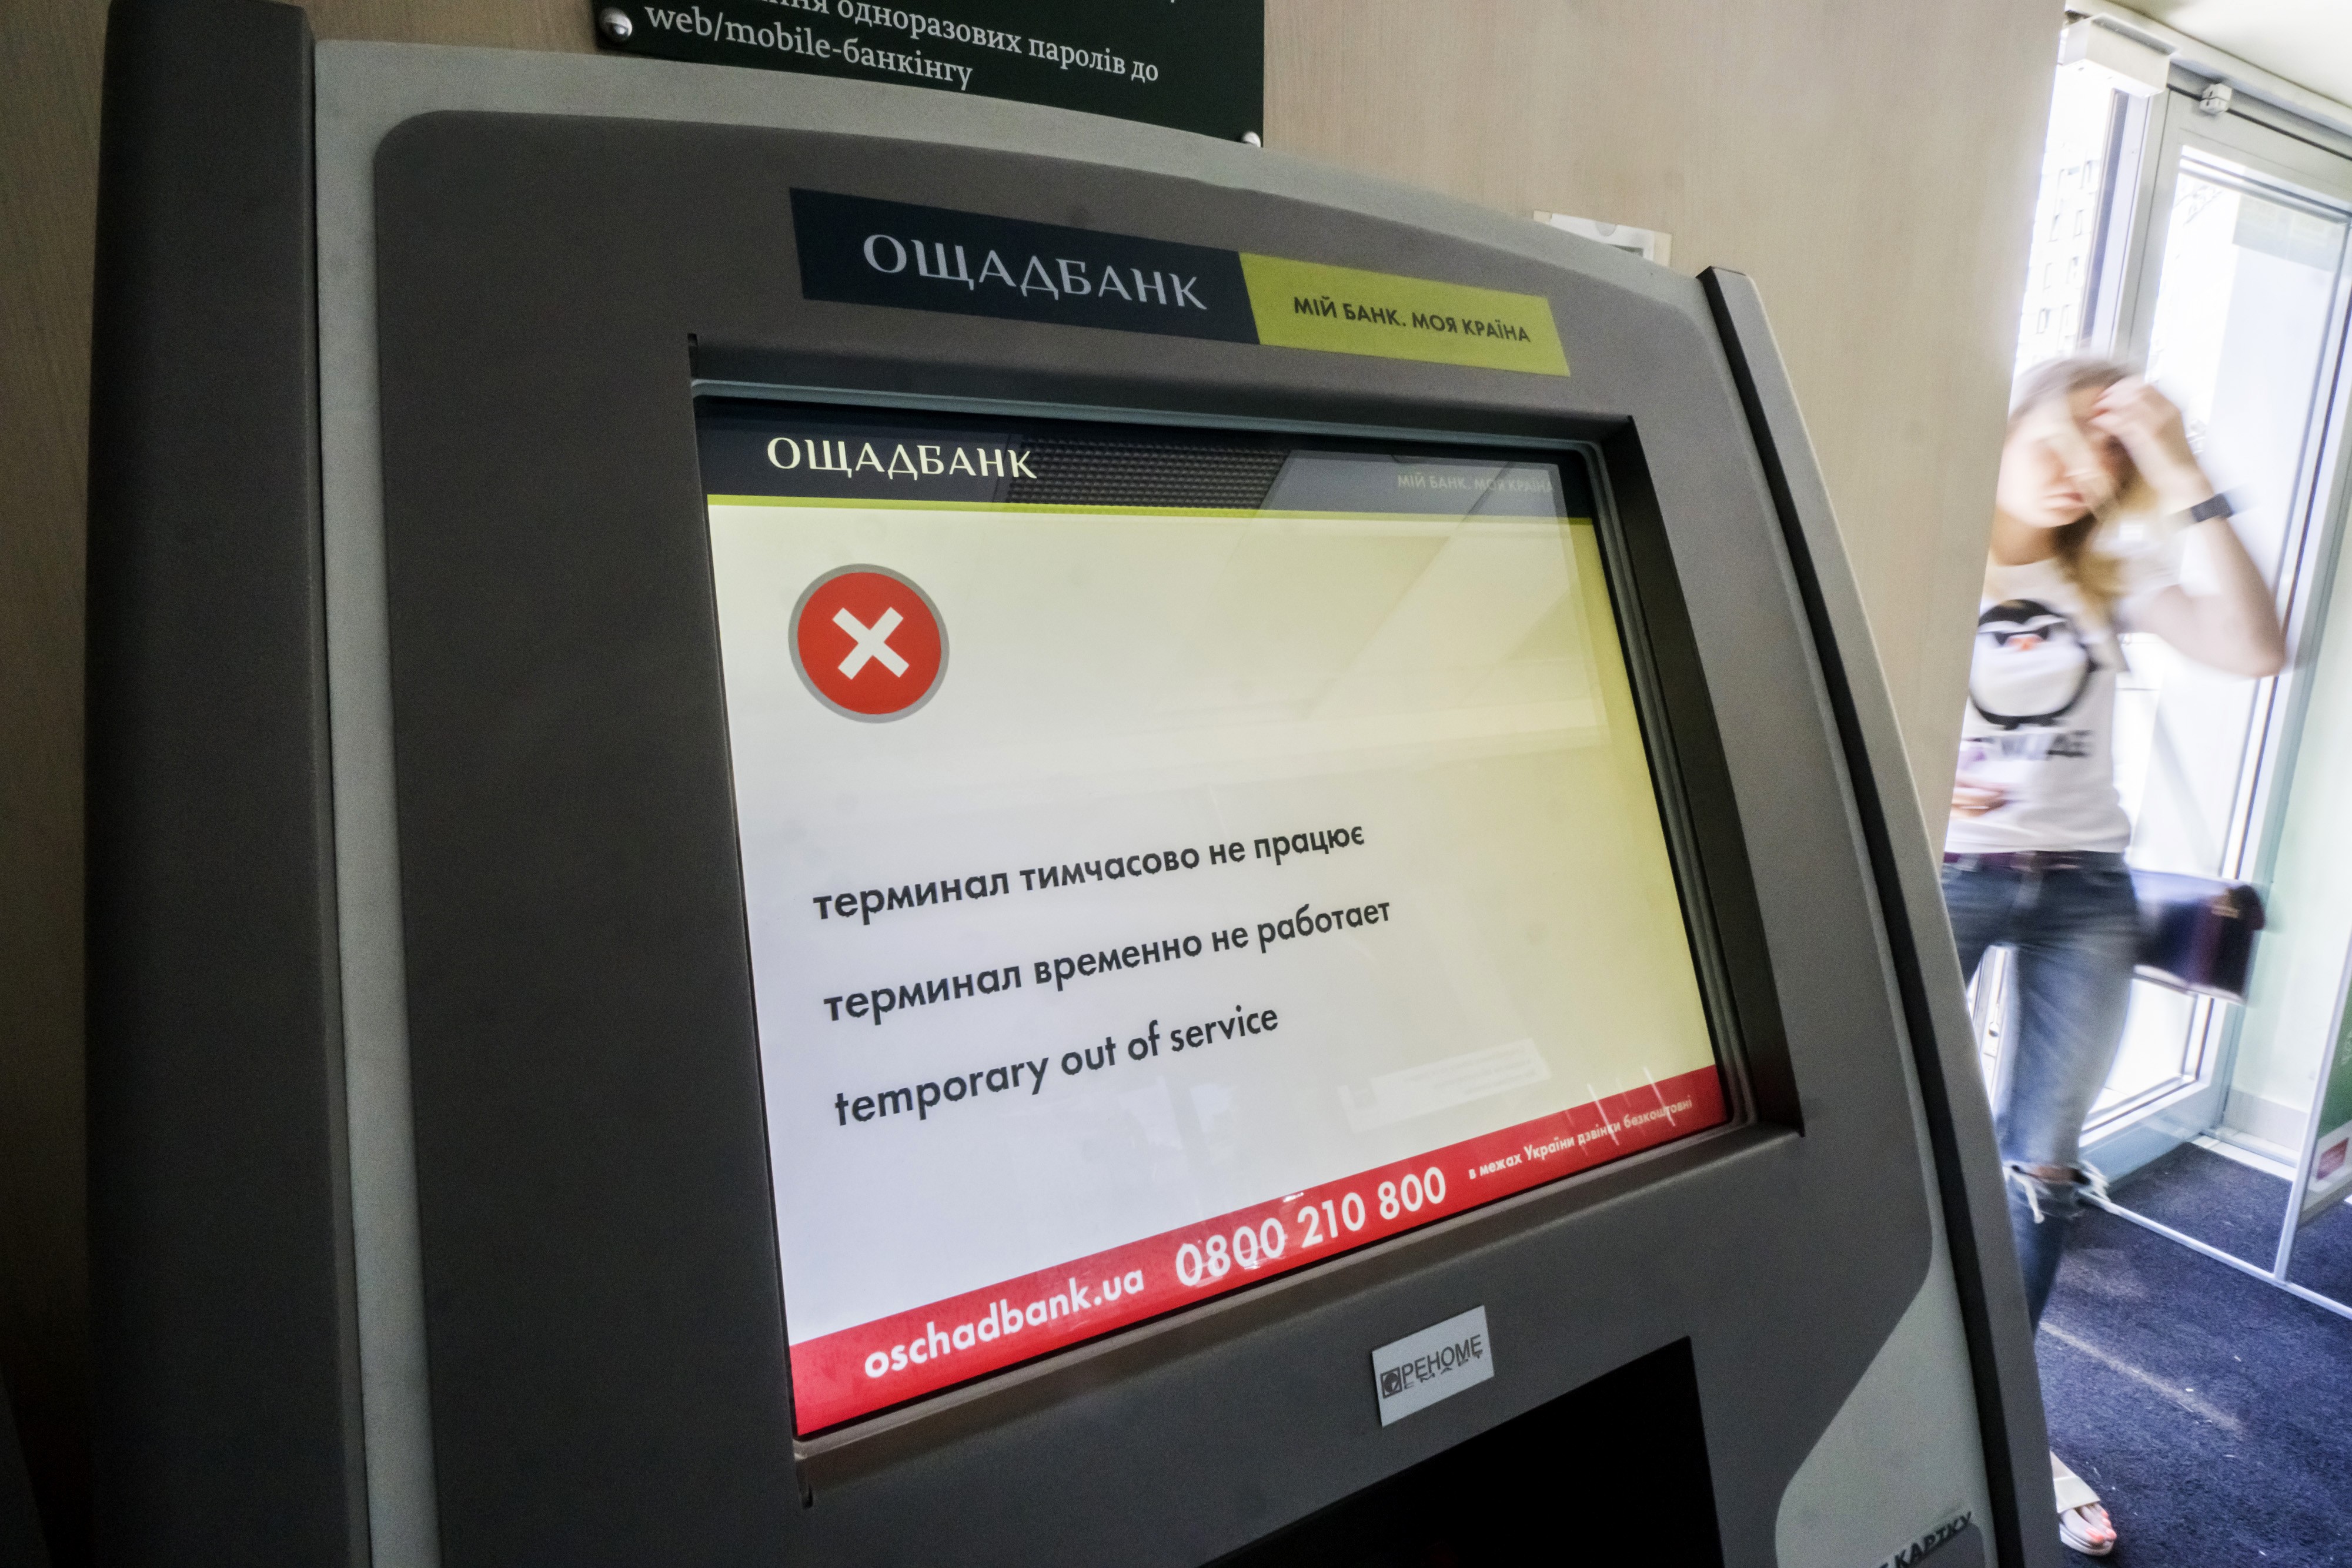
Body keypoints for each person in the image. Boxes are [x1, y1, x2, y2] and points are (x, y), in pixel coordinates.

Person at [1942, 357, 2284, 1557]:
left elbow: (2255, 648)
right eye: (2071, 434)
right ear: (2017, 405)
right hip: (1944, 876)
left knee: (2036, 1168)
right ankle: (1870, 1393)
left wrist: (2183, 470)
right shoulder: (1926, 544)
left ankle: (1999, 1412)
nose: (2082, 471)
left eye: (2111, 459)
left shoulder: (2105, 571)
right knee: (1870, 1133)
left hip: (2084, 890)